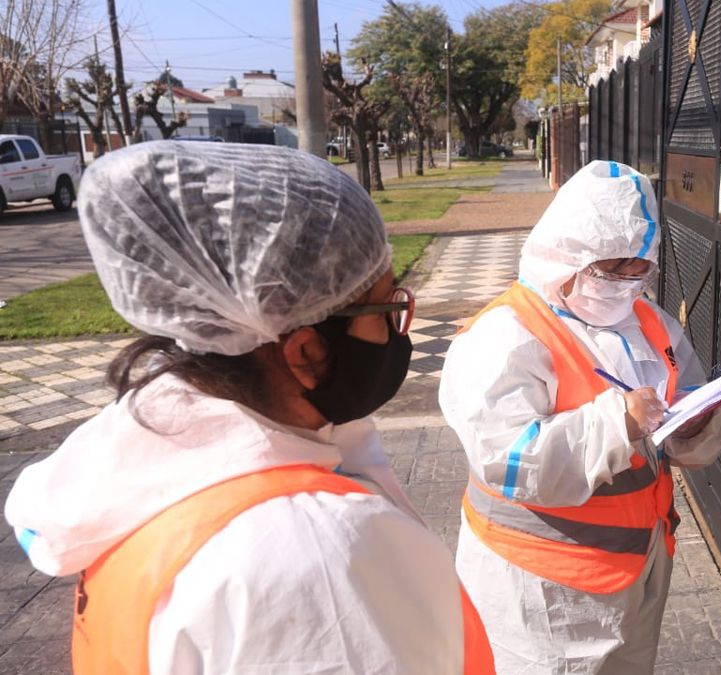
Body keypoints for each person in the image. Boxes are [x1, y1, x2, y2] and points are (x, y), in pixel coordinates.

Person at [4, 141, 493, 674]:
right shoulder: (321, 554)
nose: (398, 329)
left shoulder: (137, 468)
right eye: (386, 308)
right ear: (306, 353)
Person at [439, 160, 721, 674]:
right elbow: (507, 459)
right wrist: (617, 423)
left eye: (639, 267)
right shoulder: (505, 335)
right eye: (612, 268)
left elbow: (685, 397)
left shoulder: (650, 322)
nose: (627, 282)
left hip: (638, 570)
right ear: (567, 256)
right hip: (541, 590)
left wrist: (695, 424)